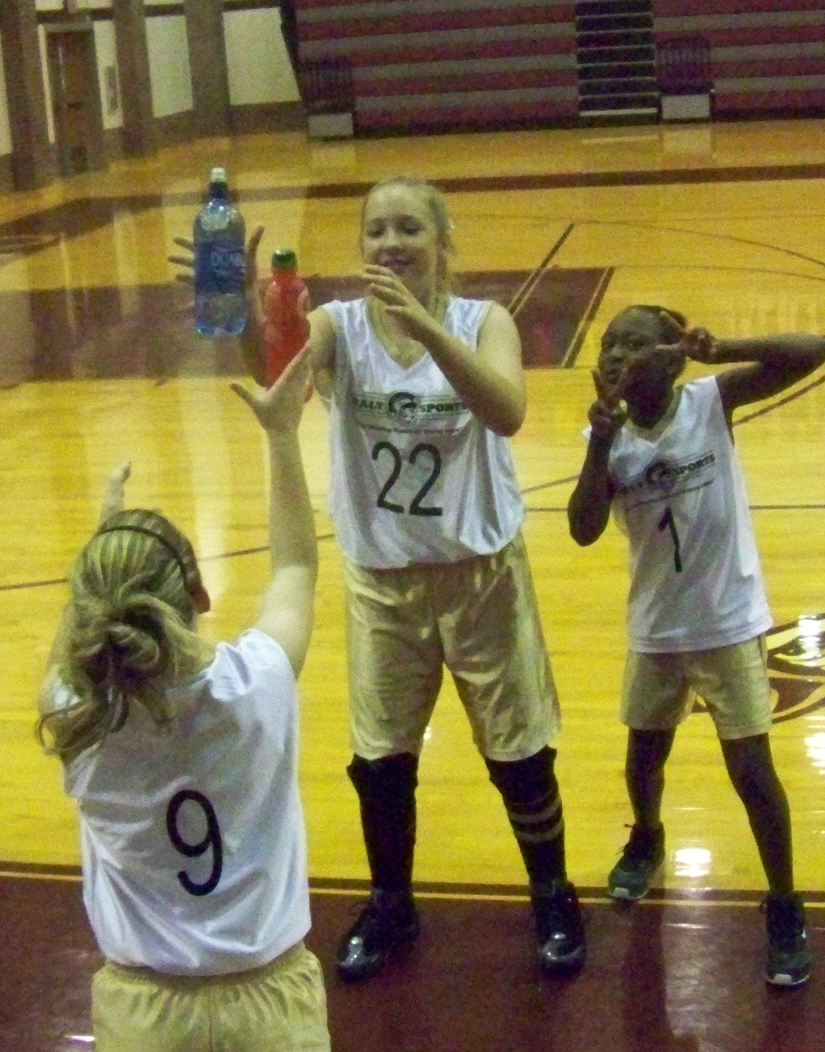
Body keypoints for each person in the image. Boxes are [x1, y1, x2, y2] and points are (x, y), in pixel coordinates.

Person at [37, 351, 335, 1052]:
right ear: (199, 596)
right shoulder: (256, 685)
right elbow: (296, 567)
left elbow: (81, 643)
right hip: (266, 994)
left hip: (148, 1005)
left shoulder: (74, 714)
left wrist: (101, 538)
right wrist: (281, 435)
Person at [239, 177, 585, 982]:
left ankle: (553, 893)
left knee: (519, 754)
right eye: (377, 231)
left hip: (481, 575)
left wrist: (426, 328)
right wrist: (248, 320)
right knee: (381, 760)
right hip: (383, 579)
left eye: (408, 229)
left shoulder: (483, 322)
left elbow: (507, 410)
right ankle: (391, 902)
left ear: (441, 243)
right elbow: (277, 384)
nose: (390, 244)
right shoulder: (339, 325)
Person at [566, 305, 825, 987]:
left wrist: (724, 347)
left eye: (634, 343)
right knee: (642, 759)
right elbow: (583, 529)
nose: (616, 354)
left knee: (752, 773)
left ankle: (784, 904)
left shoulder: (710, 401)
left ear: (671, 357)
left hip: (727, 620)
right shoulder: (607, 435)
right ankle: (647, 836)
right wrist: (599, 442)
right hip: (656, 627)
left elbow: (813, 347)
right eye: (609, 344)